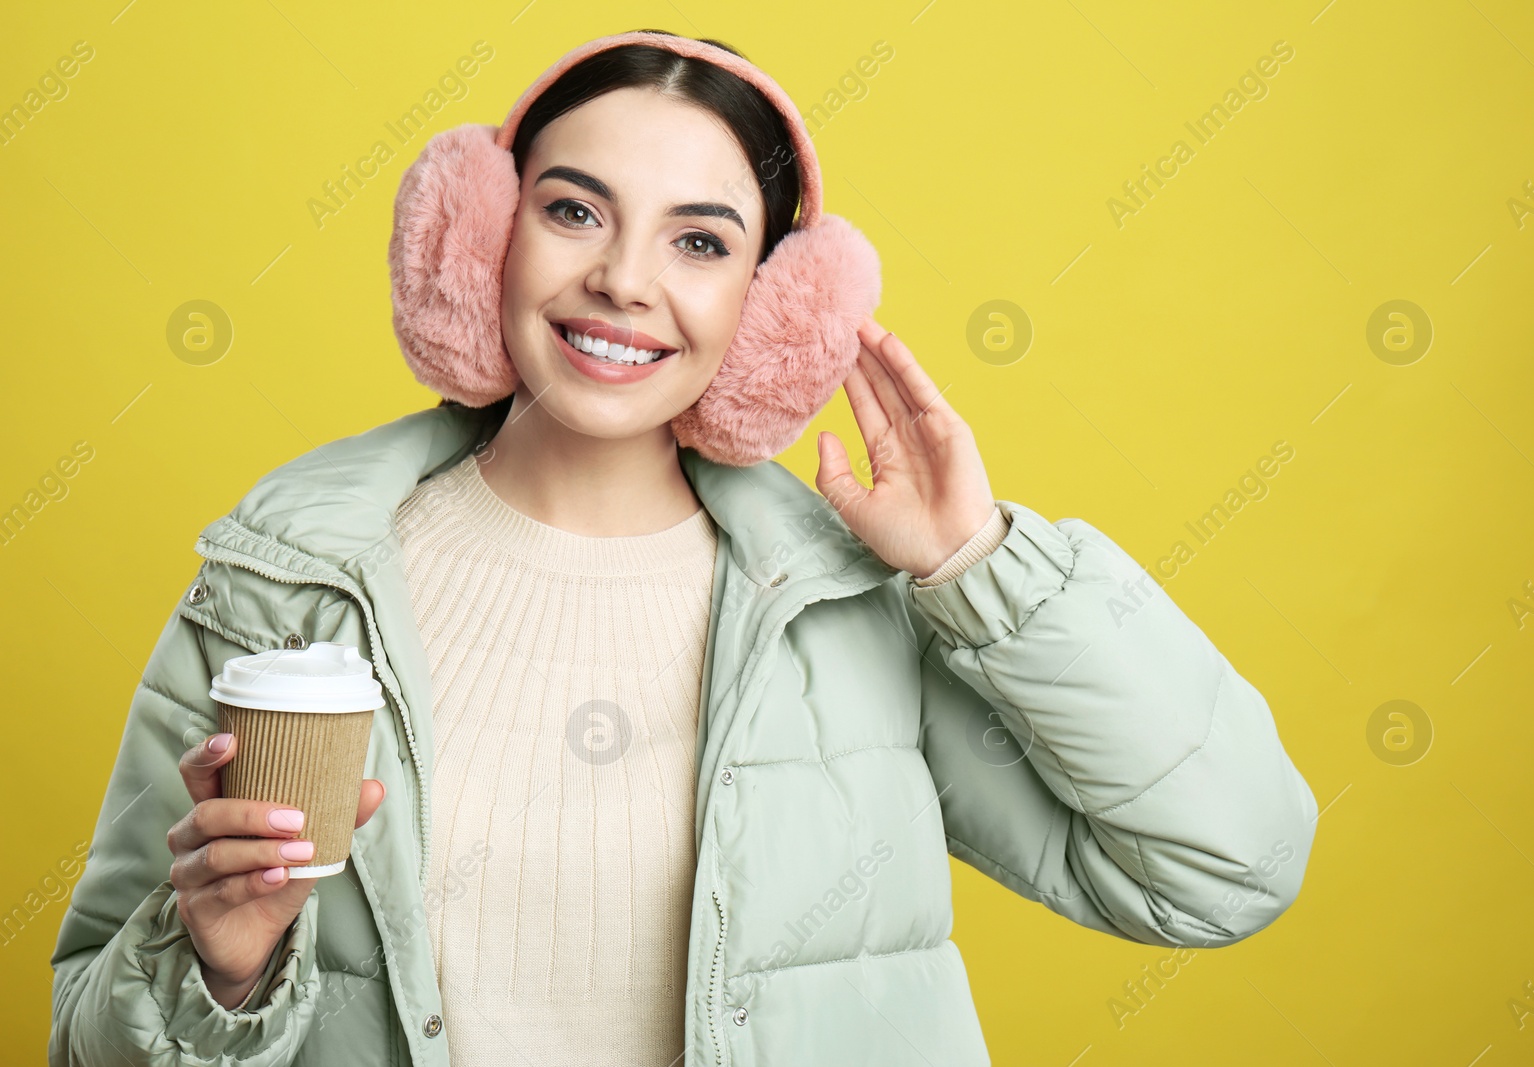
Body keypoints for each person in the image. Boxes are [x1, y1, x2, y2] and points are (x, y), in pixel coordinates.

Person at [49, 29, 1318, 1067]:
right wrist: (213, 964)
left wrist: (980, 567)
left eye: (700, 240)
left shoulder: (845, 608)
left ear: (775, 309)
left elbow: (1228, 865)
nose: (622, 280)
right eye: (572, 210)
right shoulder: (286, 589)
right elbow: (82, 1037)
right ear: (478, 240)